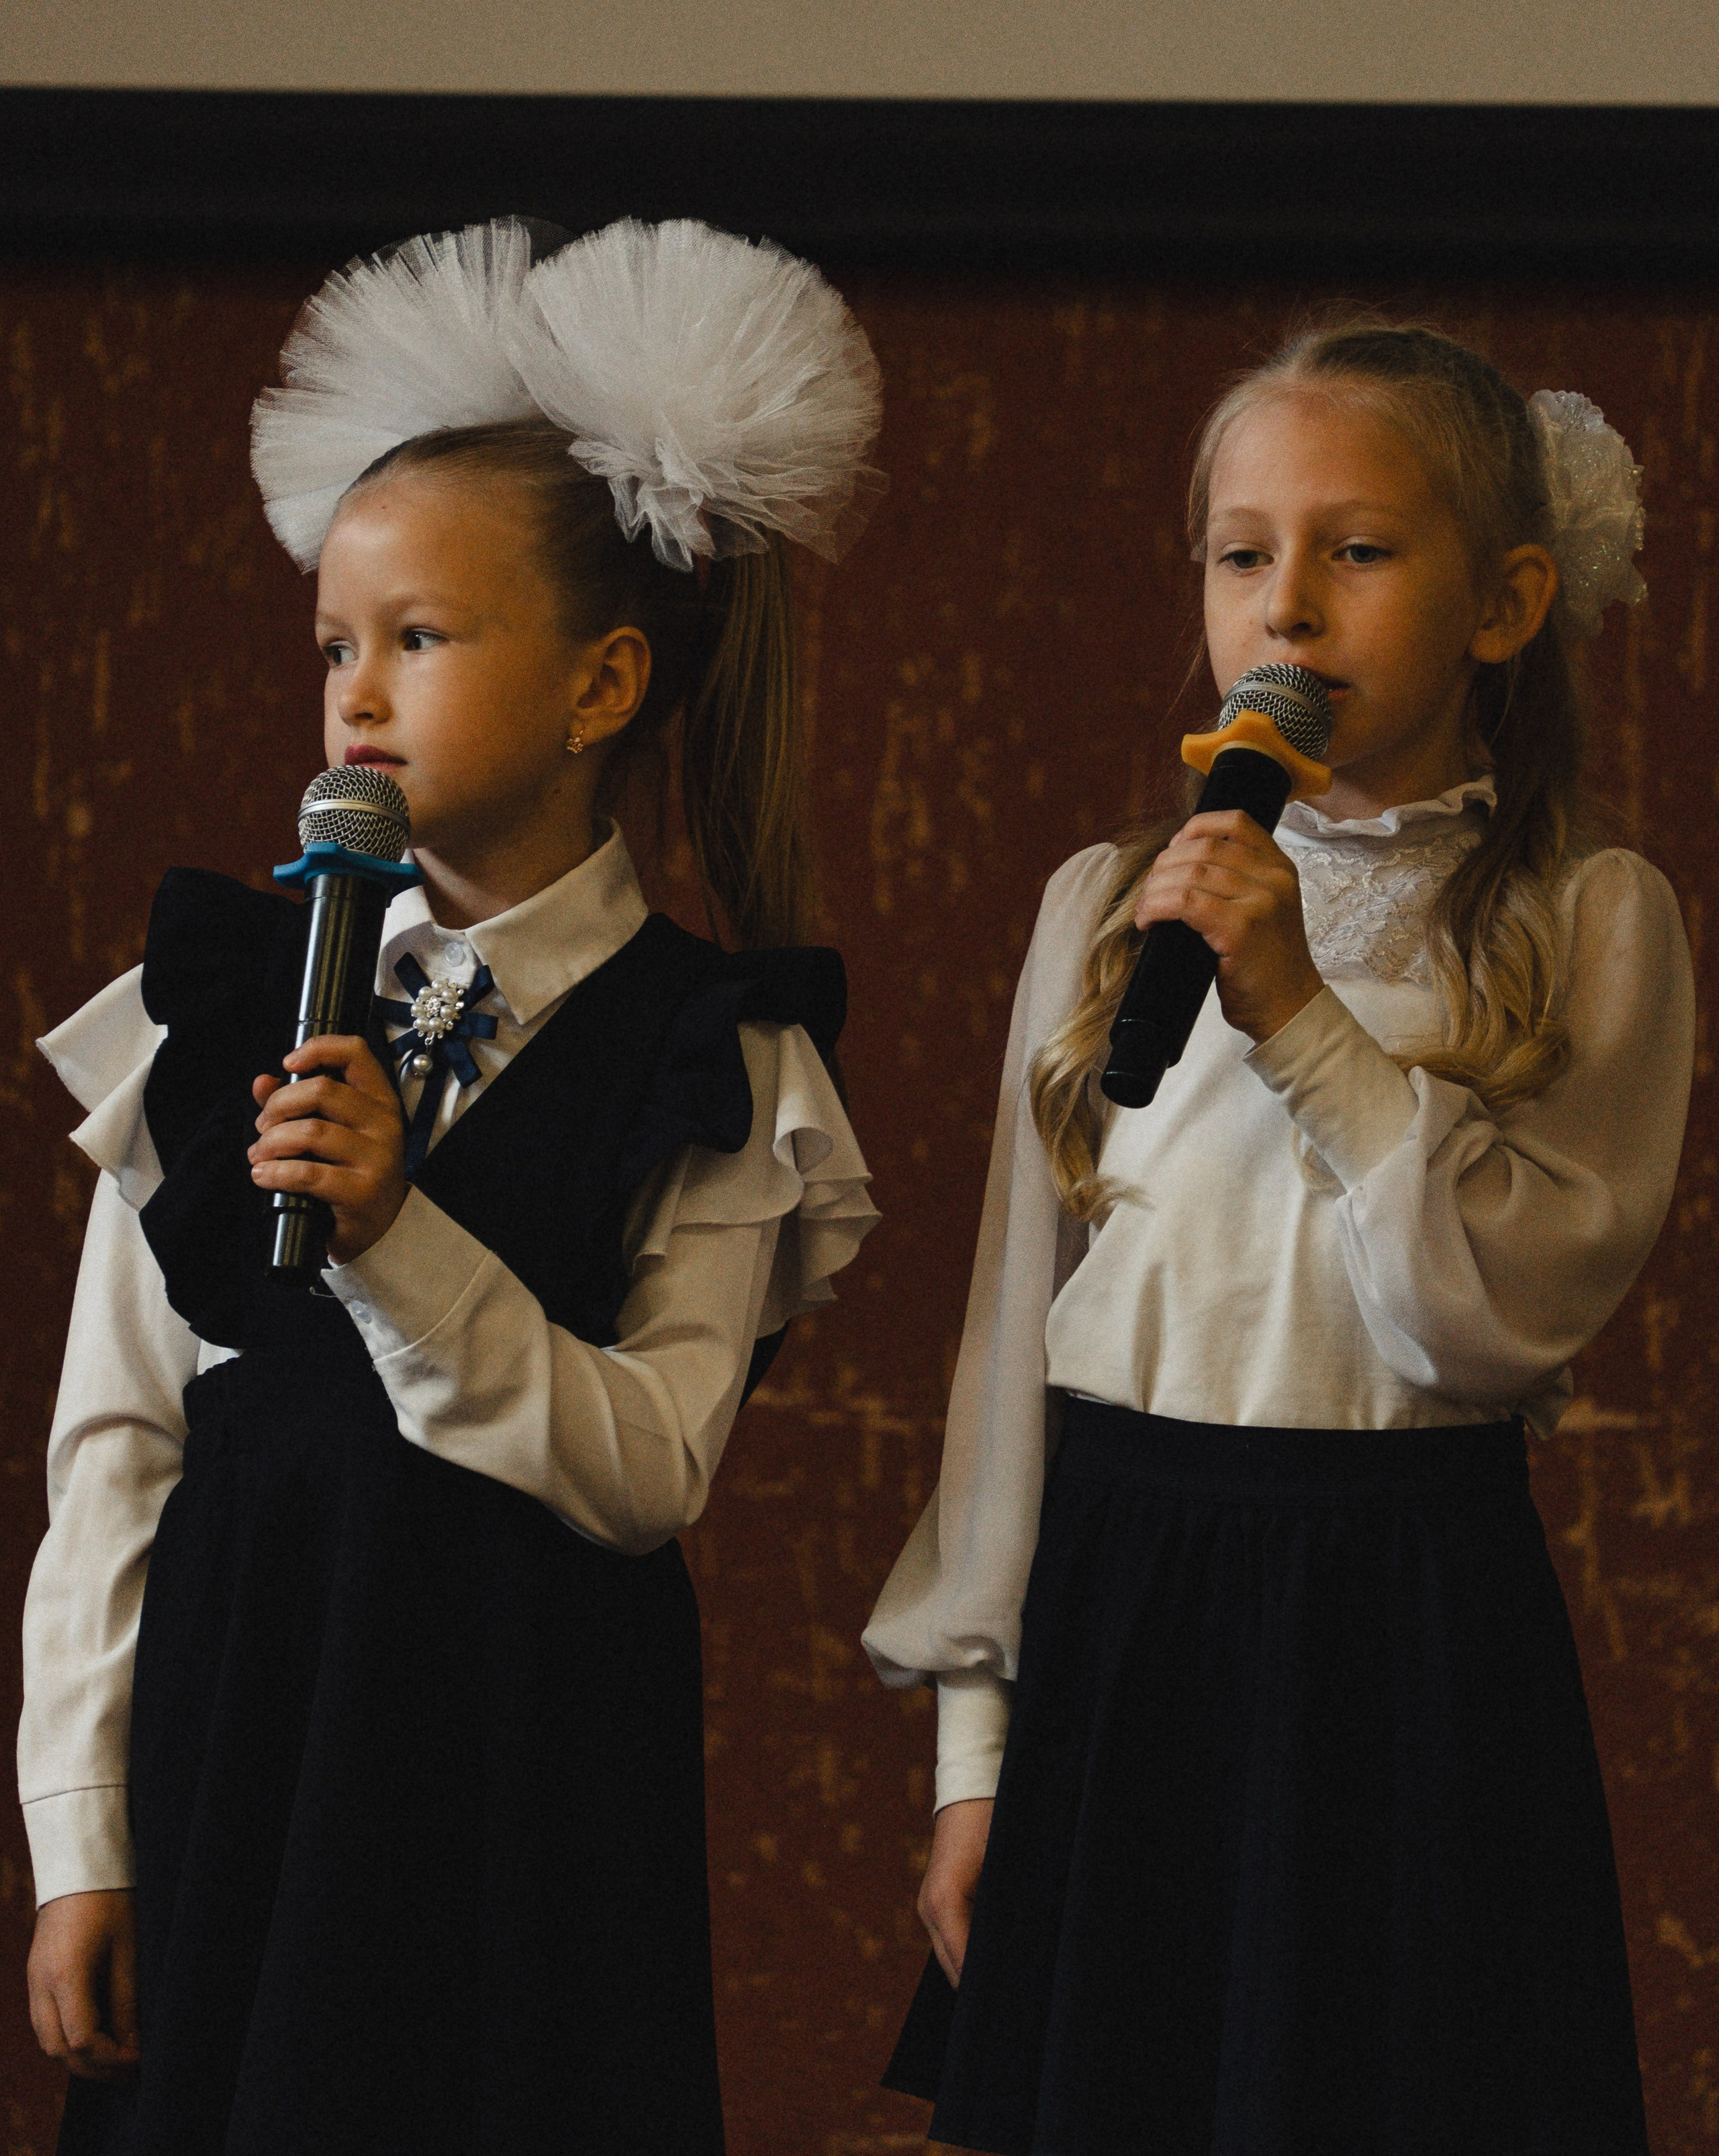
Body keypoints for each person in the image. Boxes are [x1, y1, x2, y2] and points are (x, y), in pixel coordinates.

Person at [20, 215, 883, 2156]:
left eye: (421, 638)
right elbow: (117, 1442)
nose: (358, 694)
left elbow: (655, 1460)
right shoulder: (233, 996)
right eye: (336, 641)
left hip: (521, 1798)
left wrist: (401, 1239)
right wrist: (83, 1832)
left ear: (603, 685)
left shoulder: (715, 1055)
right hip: (244, 1760)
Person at [863, 322, 1693, 2156]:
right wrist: (974, 1758)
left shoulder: (1588, 917)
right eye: (1243, 553)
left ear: (1505, 601)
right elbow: (1014, 1342)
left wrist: (1303, 1011)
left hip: (1398, 1617)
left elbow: (1476, 1323)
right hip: (1129, 1603)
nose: (1287, 606)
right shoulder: (1107, 901)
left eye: (1359, 549)